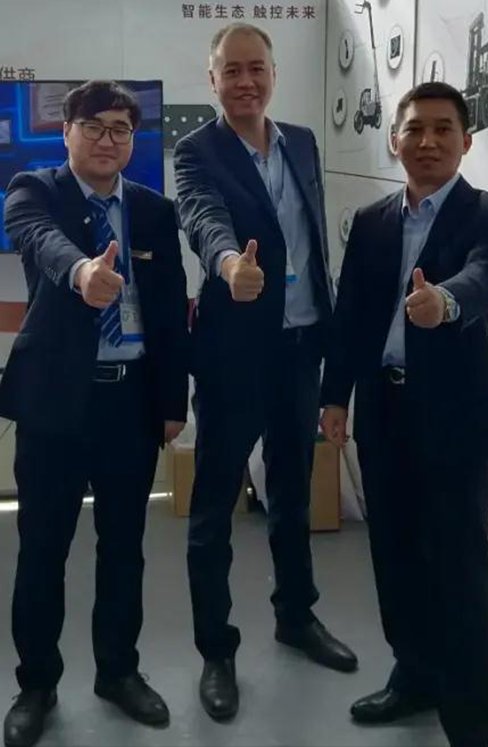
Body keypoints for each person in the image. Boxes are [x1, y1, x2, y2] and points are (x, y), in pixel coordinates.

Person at [319, 81, 488, 747]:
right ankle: (413, 677)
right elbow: (351, 314)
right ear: (394, 139)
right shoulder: (373, 220)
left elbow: (487, 275)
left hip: (453, 420)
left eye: (443, 129)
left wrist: (446, 301)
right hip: (384, 411)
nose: (428, 141)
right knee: (395, 558)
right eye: (415, 129)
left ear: (466, 141)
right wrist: (334, 396)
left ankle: (468, 724)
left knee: (459, 575)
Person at [0, 80, 189, 747]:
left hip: (129, 400)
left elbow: (170, 310)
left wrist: (172, 402)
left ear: (133, 140)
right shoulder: (34, 189)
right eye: (95, 127)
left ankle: (118, 672)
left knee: (124, 547)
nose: (108, 140)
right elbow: (39, 239)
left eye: (121, 129)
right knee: (42, 548)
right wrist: (81, 273)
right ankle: (36, 685)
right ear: (66, 132)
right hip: (54, 400)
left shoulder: (154, 211)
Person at [174, 22, 357, 722]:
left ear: (273, 74)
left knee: (292, 491)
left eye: (256, 68)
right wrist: (229, 265)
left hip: (301, 347)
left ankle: (295, 616)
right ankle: (216, 650)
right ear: (212, 79)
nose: (245, 81)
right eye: (232, 70)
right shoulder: (196, 150)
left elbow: (310, 238)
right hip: (234, 354)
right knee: (214, 504)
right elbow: (202, 217)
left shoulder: (302, 143)